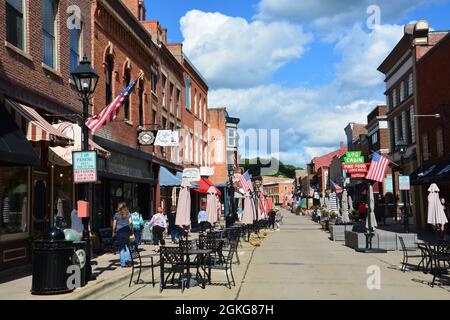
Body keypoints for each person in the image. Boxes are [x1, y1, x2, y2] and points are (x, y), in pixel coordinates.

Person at [112, 202, 133, 268]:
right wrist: (132, 231)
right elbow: (130, 223)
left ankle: (123, 263)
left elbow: (114, 224)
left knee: (121, 247)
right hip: (127, 232)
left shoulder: (116, 214)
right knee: (127, 246)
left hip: (119, 232)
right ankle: (128, 261)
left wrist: (113, 231)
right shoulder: (128, 214)